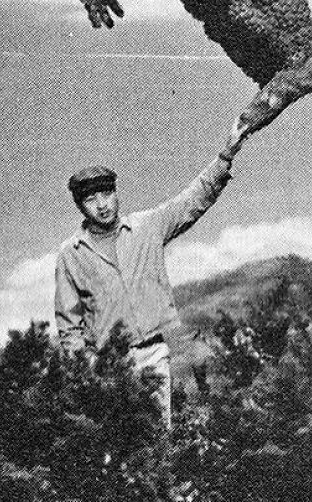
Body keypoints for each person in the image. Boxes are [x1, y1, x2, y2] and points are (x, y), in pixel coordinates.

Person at [54, 153, 233, 428]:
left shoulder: (146, 227)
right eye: (91, 200)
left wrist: (225, 158)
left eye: (107, 194)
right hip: (108, 365)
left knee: (158, 442)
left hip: (152, 354)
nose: (102, 206)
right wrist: (86, 370)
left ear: (116, 193)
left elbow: (191, 201)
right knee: (114, 450)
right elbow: (69, 326)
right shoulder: (71, 254)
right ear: (80, 207)